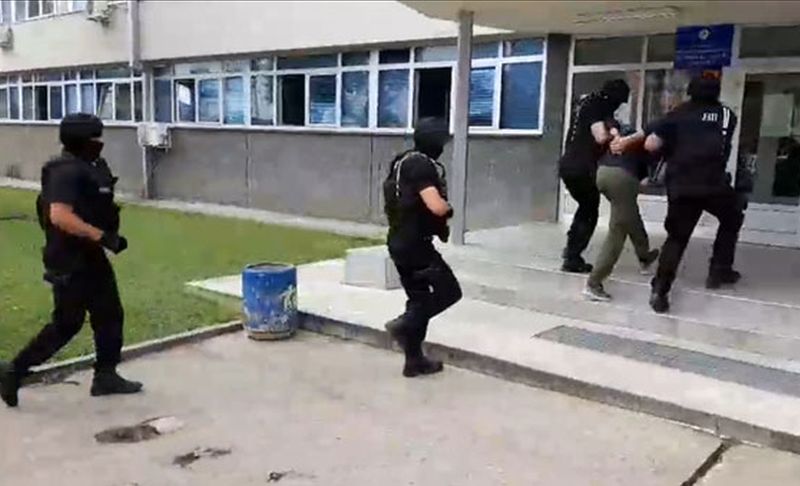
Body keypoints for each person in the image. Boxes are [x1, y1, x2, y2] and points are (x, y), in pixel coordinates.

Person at [0, 114, 142, 408]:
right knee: (67, 324)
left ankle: (106, 376)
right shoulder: (63, 171)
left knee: (109, 314)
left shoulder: (91, 167)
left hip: (90, 256)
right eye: (95, 138)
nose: (100, 143)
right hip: (69, 260)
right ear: (81, 141)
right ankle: (13, 372)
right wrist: (102, 237)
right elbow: (60, 215)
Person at [616, 76, 743, 313]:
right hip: (713, 183)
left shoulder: (678, 113)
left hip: (682, 184)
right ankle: (719, 270)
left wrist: (670, 144)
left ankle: (660, 289)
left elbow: (651, 144)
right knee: (733, 216)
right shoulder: (727, 115)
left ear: (690, 91)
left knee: (676, 238)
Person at [382, 117, 462, 378]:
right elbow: (436, 206)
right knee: (450, 292)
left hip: (399, 243)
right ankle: (405, 324)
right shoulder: (421, 165)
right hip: (416, 246)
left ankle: (414, 361)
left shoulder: (402, 161)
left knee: (419, 299)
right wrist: (448, 209)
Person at [559, 79, 631, 273]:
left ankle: (571, 250)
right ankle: (572, 256)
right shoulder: (597, 106)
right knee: (589, 210)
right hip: (581, 167)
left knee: (586, 207)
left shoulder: (588, 102)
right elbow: (600, 136)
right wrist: (616, 136)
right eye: (619, 102)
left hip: (569, 164)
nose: (618, 106)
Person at [583, 120, 660, 302]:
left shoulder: (622, 134)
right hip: (623, 178)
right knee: (618, 231)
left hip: (602, 173)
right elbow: (647, 178)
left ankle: (644, 255)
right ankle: (594, 283)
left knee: (630, 216)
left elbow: (607, 125)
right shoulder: (647, 143)